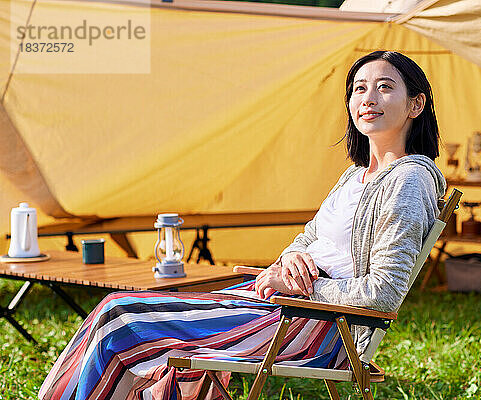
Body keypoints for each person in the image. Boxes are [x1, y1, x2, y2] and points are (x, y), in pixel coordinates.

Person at [39, 50, 446, 400]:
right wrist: (289, 263)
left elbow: (385, 293)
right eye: (359, 88)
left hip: (316, 324)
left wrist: (304, 287)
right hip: (284, 303)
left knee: (122, 316)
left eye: (385, 87)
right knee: (123, 315)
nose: (368, 98)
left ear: (416, 104)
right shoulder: (356, 175)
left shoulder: (408, 180)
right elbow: (309, 238)